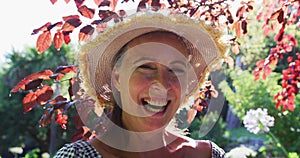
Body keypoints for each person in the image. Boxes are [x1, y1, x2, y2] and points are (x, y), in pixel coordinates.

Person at [54, 9, 228, 158]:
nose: (161, 84)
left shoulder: (209, 155)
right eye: (145, 67)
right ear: (117, 78)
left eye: (176, 70)